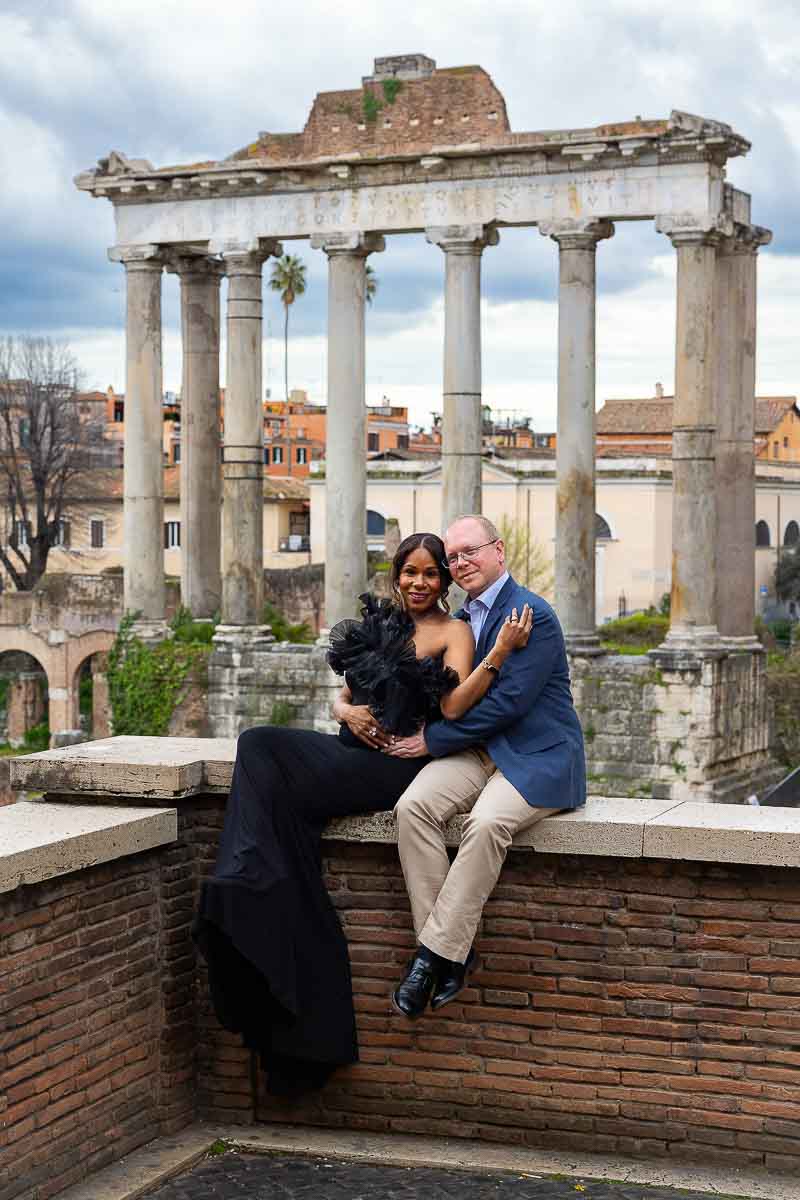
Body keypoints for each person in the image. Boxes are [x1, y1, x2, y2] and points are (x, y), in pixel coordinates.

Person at [192, 531, 531, 1095]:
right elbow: (349, 695)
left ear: (443, 581)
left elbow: (452, 706)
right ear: (396, 576)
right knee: (261, 755)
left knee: (260, 745)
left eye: (429, 573)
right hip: (350, 750)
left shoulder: (456, 631)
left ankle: (246, 873)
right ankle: (256, 884)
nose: (418, 583)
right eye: (409, 572)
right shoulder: (382, 626)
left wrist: (498, 653)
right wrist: (342, 709)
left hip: (394, 766)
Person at [386, 514, 586, 1019]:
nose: (461, 563)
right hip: (481, 751)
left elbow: (508, 705)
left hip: (537, 754)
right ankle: (455, 951)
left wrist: (431, 741)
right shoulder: (458, 621)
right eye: (453, 557)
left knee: (487, 823)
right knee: (413, 808)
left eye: (470, 551)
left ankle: (431, 958)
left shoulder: (530, 614)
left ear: (498, 551)